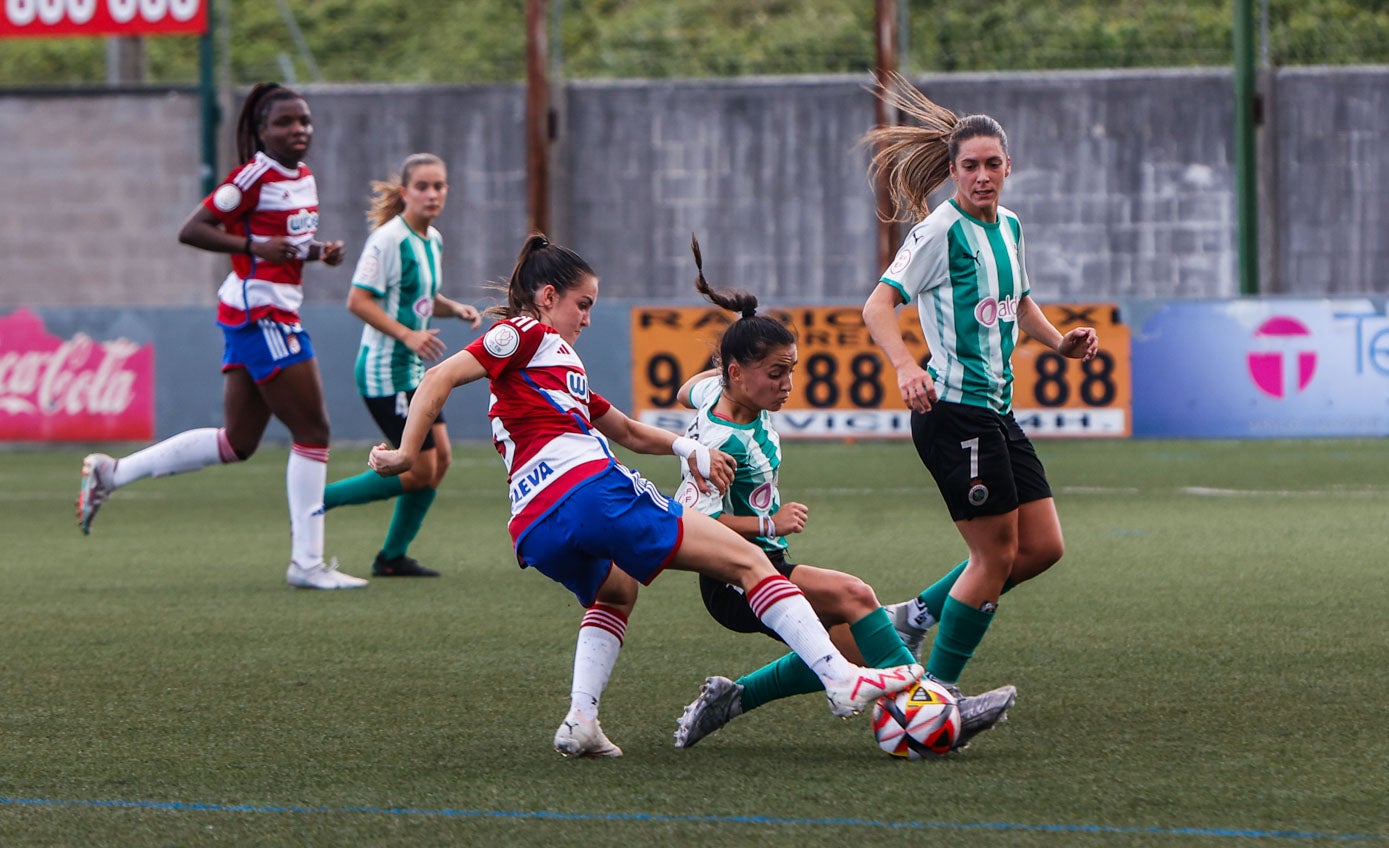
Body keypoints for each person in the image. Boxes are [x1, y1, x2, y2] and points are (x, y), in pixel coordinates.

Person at [368, 233, 922, 758]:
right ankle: (841, 679)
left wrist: (690, 449)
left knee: (615, 593)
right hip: (587, 490)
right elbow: (438, 376)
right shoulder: (525, 334)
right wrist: (406, 452)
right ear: (548, 297)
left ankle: (581, 720)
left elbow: (629, 431)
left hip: (534, 522)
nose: (587, 318)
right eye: (581, 305)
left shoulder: (559, 366)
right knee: (751, 561)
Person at [860, 74, 1099, 724]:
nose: (982, 176)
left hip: (995, 410)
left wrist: (1057, 343)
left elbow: (1017, 301)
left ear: (1007, 166)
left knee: (1041, 547)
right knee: (993, 555)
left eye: (992, 164)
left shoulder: (1010, 227)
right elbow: (877, 306)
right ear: (953, 171)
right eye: (970, 166)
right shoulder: (939, 232)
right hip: (952, 413)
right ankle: (926, 703)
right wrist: (907, 366)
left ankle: (915, 617)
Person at [76, 82, 367, 590]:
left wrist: (318, 253)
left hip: (260, 309)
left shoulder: (302, 177)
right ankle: (307, 563)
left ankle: (112, 473)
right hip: (264, 314)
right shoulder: (251, 176)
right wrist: (255, 245)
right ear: (260, 131)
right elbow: (192, 229)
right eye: (284, 123)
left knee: (237, 442)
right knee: (314, 433)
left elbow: (285, 244)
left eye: (304, 121)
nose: (298, 130)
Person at [668, 236, 944, 750]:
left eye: (791, 369)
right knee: (855, 594)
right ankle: (936, 704)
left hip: (767, 561)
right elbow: (695, 528)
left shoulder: (720, 395)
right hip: (734, 580)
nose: (787, 383)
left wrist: (724, 381)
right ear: (737, 374)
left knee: (854, 648)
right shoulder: (718, 441)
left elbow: (688, 390)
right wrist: (771, 523)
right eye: (776, 373)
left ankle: (731, 699)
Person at [321, 153, 482, 577]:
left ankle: (391, 558)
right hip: (384, 370)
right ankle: (317, 501)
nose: (432, 194)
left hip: (413, 372)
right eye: (423, 186)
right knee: (414, 469)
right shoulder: (388, 240)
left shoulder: (433, 240)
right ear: (405, 191)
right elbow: (357, 300)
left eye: (439, 186)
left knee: (439, 460)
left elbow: (423, 300)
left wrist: (455, 309)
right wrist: (408, 335)